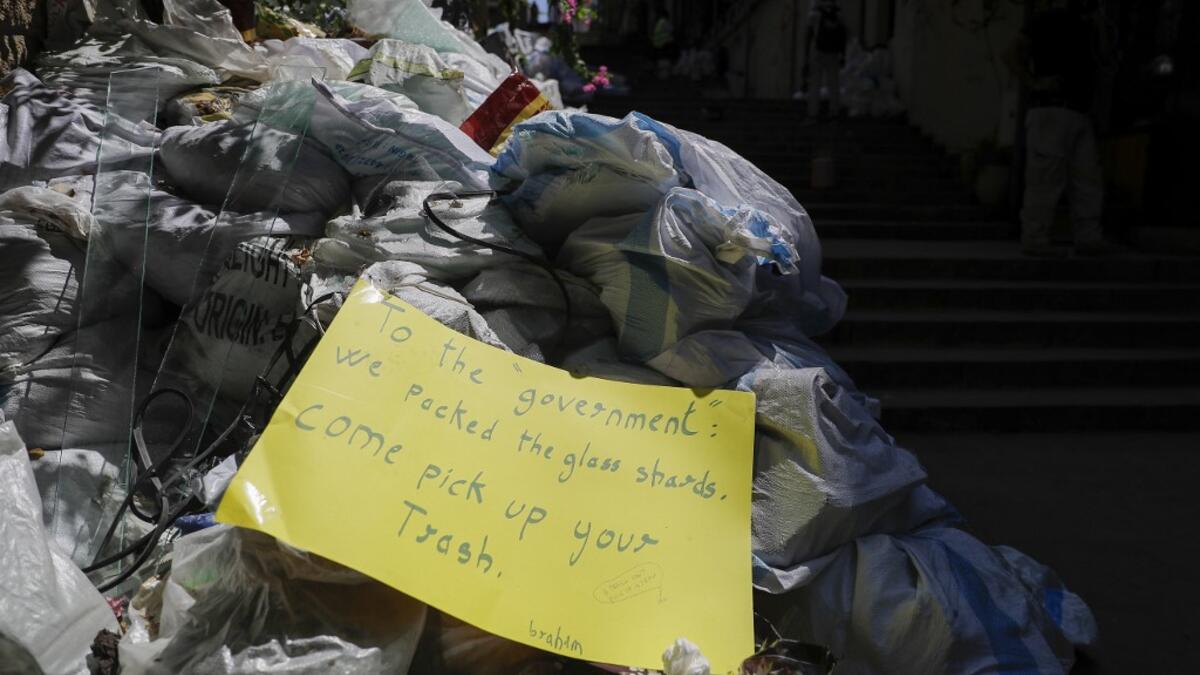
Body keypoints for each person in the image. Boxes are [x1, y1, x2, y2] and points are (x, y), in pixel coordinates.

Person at [1007, 0, 1121, 257]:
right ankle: (1035, 237)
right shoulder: (1047, 20)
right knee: (1046, 179)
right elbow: (1013, 53)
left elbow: (1105, 59)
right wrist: (1034, 83)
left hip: (1078, 111)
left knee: (1087, 179)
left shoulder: (1091, 27)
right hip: (1052, 108)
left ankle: (1088, 236)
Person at [805, 0, 848, 119]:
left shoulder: (814, 14)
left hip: (817, 52)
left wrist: (806, 57)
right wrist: (843, 55)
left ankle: (813, 113)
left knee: (815, 84)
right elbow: (843, 35)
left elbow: (809, 35)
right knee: (834, 83)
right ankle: (834, 112)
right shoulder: (839, 14)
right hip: (833, 53)